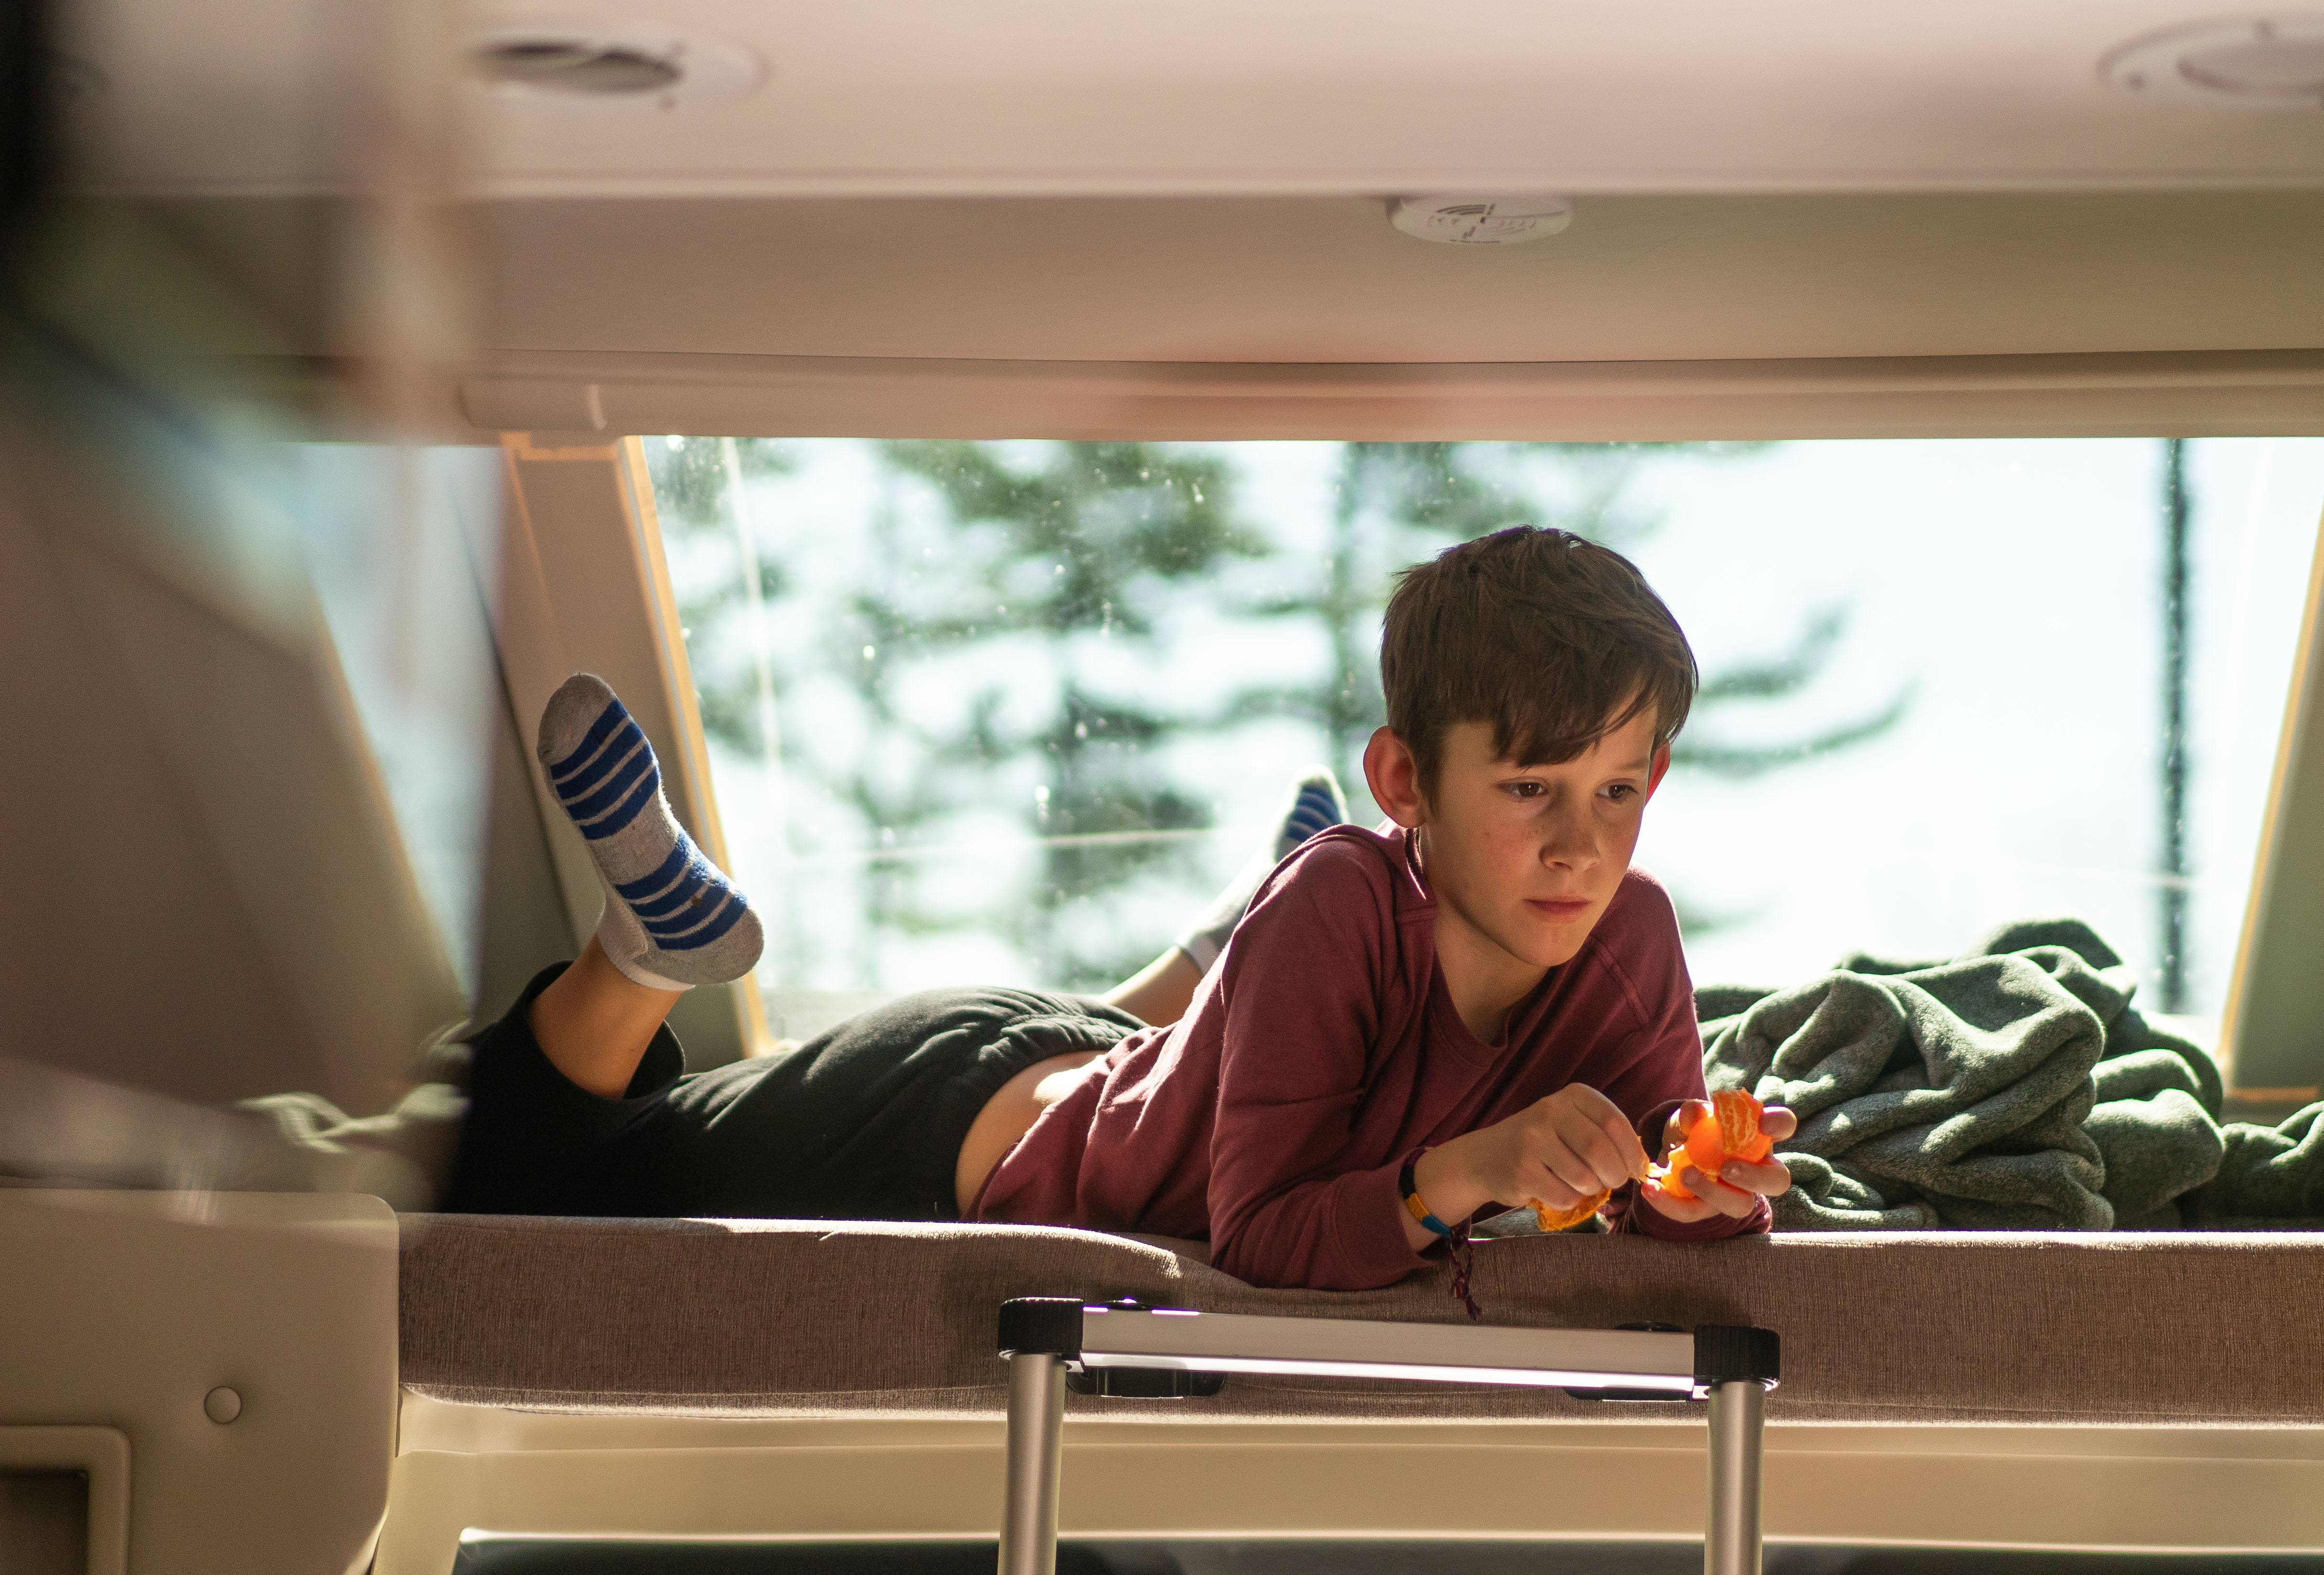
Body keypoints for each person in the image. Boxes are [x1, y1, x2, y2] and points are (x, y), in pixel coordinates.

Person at [442, 525, 1792, 1291]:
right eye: (1529, 788)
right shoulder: (1347, 905)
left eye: (1618, 791)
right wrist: (1478, 1168)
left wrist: (1713, 1186)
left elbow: (1672, 1225)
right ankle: (648, 949)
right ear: (1404, 784)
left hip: (1107, 1064)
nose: (1579, 846)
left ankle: (1216, 955)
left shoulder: (1632, 939)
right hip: (941, 1122)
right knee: (518, 1184)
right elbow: (1260, 1239)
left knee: (1173, 1055)